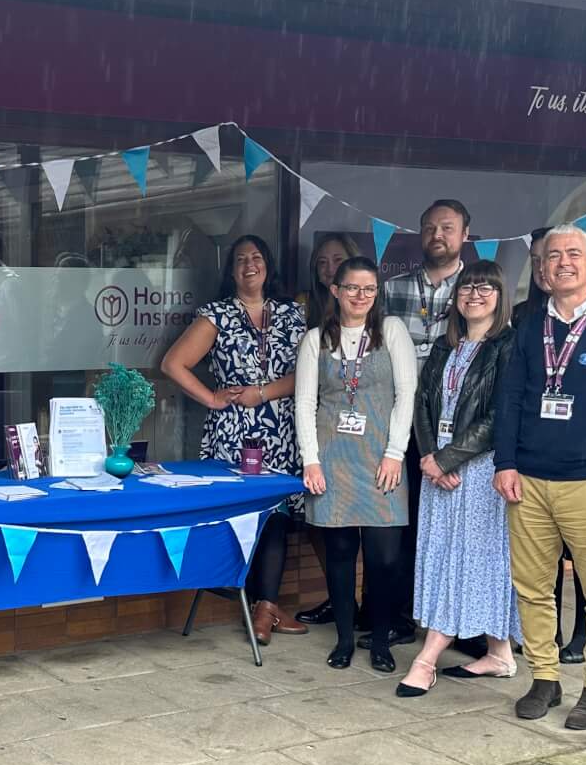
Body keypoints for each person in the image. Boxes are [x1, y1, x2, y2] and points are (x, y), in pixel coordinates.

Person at [161, 235, 307, 643]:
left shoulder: (294, 314)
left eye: (257, 257)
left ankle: (267, 608)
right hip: (235, 432)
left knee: (277, 516)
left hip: (281, 427)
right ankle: (255, 604)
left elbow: (311, 374)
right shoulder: (217, 315)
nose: (249, 265)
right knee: (245, 515)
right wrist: (211, 397)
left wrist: (264, 393)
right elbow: (173, 363)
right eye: (240, 259)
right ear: (231, 270)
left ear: (268, 266)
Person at [493, 225, 586, 729]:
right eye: (551, 256)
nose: (561, 262)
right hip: (529, 478)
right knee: (533, 586)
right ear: (540, 270)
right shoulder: (525, 323)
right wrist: (504, 462)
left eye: (572, 254)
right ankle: (544, 677)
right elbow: (511, 396)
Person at [399, 259, 519, 696]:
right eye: (467, 288)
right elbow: (422, 403)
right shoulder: (444, 348)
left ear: (500, 295)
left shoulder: (508, 346)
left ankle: (426, 658)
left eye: (486, 287)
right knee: (448, 556)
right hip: (440, 469)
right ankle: (500, 654)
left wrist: (448, 458)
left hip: (480, 469)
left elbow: (498, 415)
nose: (475, 295)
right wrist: (430, 456)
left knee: (467, 560)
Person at [294, 258, 415, 674]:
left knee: (384, 558)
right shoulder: (316, 340)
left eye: (368, 289)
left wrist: (395, 453)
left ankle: (380, 639)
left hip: (382, 461)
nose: (360, 296)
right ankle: (345, 639)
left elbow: (406, 394)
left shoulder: (392, 331)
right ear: (335, 290)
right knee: (341, 555)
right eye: (352, 288)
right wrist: (310, 460)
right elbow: (305, 403)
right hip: (333, 461)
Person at [383, 199, 473, 641]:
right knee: (403, 523)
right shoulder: (391, 289)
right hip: (402, 424)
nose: (438, 235)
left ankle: (461, 623)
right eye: (430, 227)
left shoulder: (476, 290)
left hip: (456, 429)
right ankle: (400, 616)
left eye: (448, 228)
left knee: (454, 528)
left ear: (465, 236)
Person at [294, 232, 366, 629]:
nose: (328, 268)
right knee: (320, 520)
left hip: (356, 432)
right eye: (321, 261)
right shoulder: (304, 310)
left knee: (364, 527)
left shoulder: (369, 314)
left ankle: (365, 604)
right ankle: (340, 600)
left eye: (336, 260)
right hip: (313, 427)